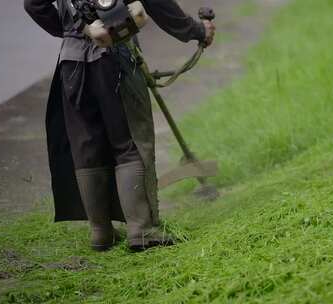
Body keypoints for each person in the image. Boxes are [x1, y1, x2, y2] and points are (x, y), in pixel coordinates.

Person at [24, 0, 216, 251]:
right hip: (114, 57)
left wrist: (72, 30)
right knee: (130, 143)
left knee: (88, 146)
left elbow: (34, 4)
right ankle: (143, 230)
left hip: (71, 63)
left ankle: (101, 232)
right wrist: (197, 30)